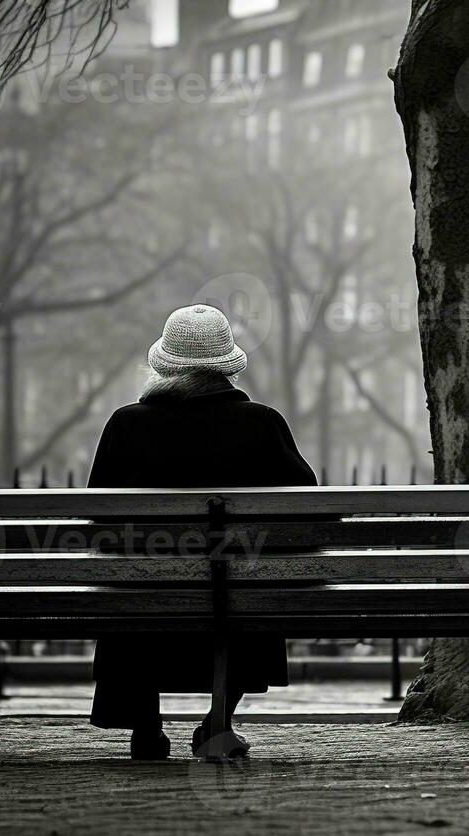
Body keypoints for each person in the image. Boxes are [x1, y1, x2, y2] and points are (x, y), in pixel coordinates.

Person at [86, 304, 316, 760]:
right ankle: (217, 724)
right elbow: (307, 512)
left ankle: (146, 728)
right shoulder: (262, 424)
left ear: (164, 364)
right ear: (226, 367)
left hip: (144, 597)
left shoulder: (126, 425)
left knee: (131, 580)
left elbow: (98, 519)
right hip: (236, 594)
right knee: (254, 584)